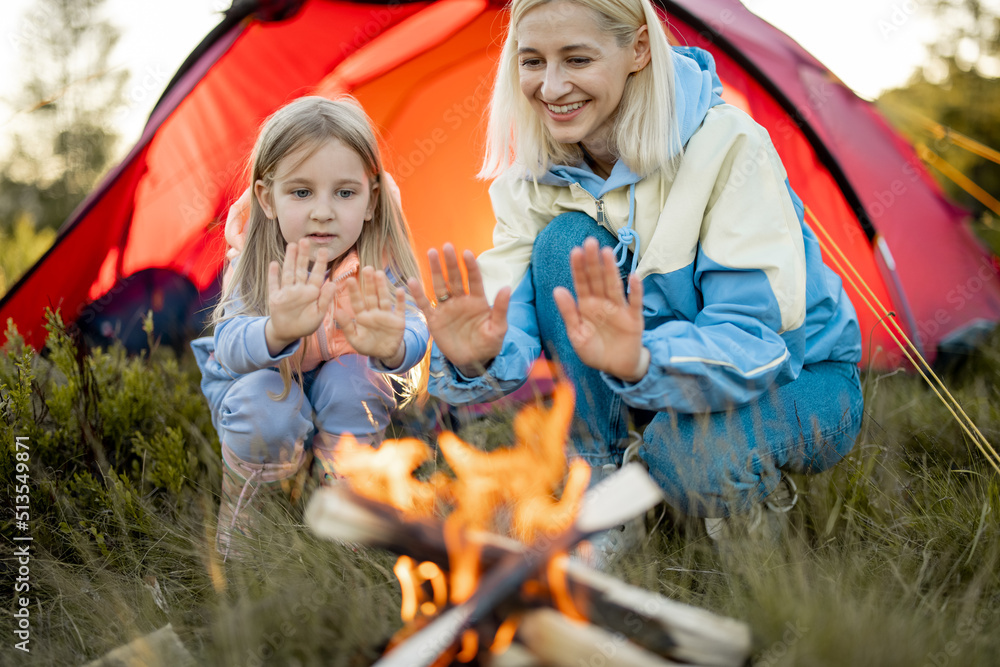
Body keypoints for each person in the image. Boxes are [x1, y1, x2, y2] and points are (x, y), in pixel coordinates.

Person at [410, 0, 863, 553]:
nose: (551, 88)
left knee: (686, 458)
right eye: (532, 61)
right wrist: (477, 352)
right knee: (563, 242)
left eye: (576, 59)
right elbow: (508, 309)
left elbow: (760, 342)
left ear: (639, 50)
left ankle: (744, 505)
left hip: (797, 378)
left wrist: (642, 361)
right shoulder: (531, 178)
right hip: (649, 382)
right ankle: (599, 486)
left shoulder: (728, 147)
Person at [191, 96, 429, 559]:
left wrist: (393, 344)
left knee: (355, 379)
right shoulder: (257, 262)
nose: (323, 211)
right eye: (301, 192)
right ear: (267, 198)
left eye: (344, 193)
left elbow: (416, 328)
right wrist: (276, 331)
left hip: (341, 384)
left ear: (370, 199)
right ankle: (249, 528)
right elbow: (231, 343)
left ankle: (342, 506)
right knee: (267, 406)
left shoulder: (378, 260)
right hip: (261, 385)